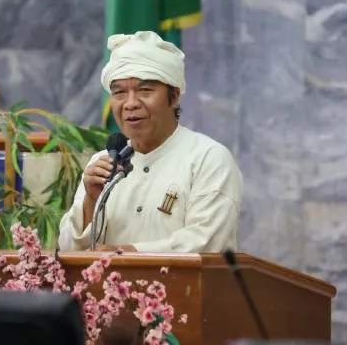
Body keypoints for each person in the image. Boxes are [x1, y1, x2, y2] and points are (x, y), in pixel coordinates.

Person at [58, 31, 243, 253]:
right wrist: (92, 200)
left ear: (174, 97)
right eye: (119, 93)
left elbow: (207, 243)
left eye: (145, 90)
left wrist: (127, 253)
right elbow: (69, 251)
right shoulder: (103, 163)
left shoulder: (208, 158)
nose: (130, 103)